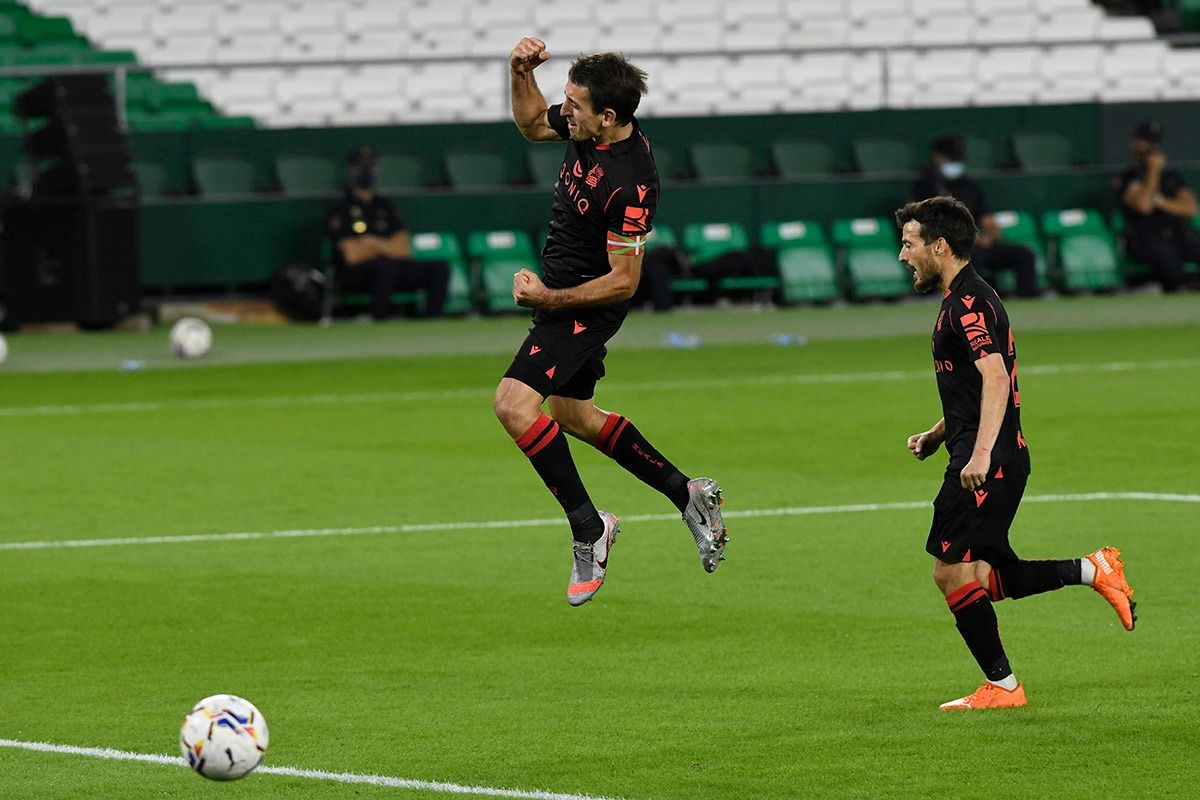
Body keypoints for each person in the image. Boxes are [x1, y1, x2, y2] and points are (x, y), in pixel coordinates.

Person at [495, 37, 728, 606]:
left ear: (610, 116)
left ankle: (588, 528)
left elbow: (625, 282)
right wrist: (519, 71)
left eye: (573, 104)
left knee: (513, 404)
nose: (563, 110)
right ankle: (687, 493)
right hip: (563, 295)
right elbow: (529, 123)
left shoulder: (632, 185)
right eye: (566, 100)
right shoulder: (584, 126)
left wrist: (549, 298)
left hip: (584, 305)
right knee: (573, 416)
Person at [896, 196, 1136, 711]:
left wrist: (977, 456)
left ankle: (1003, 687)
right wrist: (940, 432)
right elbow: (974, 384)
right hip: (989, 455)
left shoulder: (967, 302)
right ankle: (1093, 570)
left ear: (939, 246)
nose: (902, 255)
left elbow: (996, 377)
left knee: (950, 571)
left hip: (987, 462)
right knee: (981, 576)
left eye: (909, 244)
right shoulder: (966, 298)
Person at [325, 146, 449, 320]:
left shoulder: (385, 206)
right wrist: (387, 247)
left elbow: (405, 249)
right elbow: (351, 255)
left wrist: (372, 243)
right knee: (385, 266)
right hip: (356, 276)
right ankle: (379, 319)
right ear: (351, 170)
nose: (367, 172)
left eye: (370, 167)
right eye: (362, 168)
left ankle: (432, 320)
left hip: (392, 268)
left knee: (439, 268)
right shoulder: (340, 208)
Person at [910, 136, 1041, 298]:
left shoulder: (969, 185)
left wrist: (990, 234)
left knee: (1025, 254)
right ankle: (974, 299)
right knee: (970, 260)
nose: (953, 163)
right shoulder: (925, 186)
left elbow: (986, 219)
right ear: (937, 158)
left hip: (977, 245)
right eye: (949, 158)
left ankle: (1027, 299)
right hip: (947, 249)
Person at [1115, 120, 1200, 293]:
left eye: (1152, 143)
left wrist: (1160, 202)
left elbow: (1191, 209)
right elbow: (1144, 206)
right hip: (1148, 239)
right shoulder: (1128, 176)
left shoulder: (1170, 176)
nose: (1149, 148)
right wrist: (1153, 172)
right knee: (1168, 261)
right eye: (1145, 141)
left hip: (1178, 235)